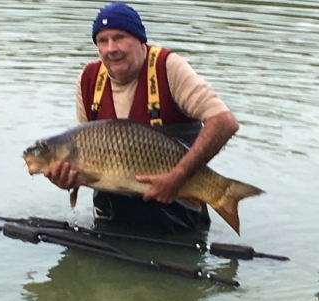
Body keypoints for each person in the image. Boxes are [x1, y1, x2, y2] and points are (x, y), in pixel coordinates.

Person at [45, 2, 239, 233]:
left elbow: (225, 122)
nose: (111, 48)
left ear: (140, 41)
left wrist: (177, 177)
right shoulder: (88, 80)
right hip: (111, 217)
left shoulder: (168, 67)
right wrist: (69, 181)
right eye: (102, 41)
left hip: (175, 214)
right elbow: (87, 152)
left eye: (120, 37)